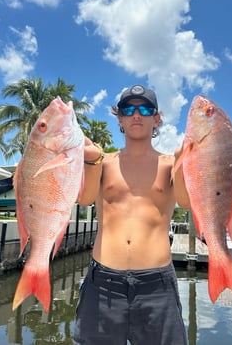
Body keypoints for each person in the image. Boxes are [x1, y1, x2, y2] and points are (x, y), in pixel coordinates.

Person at [73, 84, 190, 345]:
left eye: (145, 109)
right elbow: (85, 198)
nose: (137, 114)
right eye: (129, 109)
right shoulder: (103, 161)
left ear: (156, 118)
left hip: (157, 285)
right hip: (103, 282)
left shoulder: (171, 163)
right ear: (120, 118)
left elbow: (185, 201)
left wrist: (185, 161)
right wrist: (90, 159)